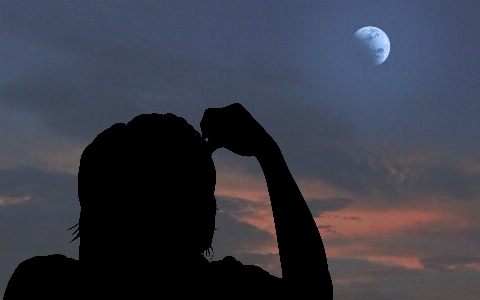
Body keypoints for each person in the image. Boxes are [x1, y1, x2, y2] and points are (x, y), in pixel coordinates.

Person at [4, 103, 332, 299]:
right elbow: (312, 294)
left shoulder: (42, 285)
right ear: (200, 212)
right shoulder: (225, 291)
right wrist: (268, 153)